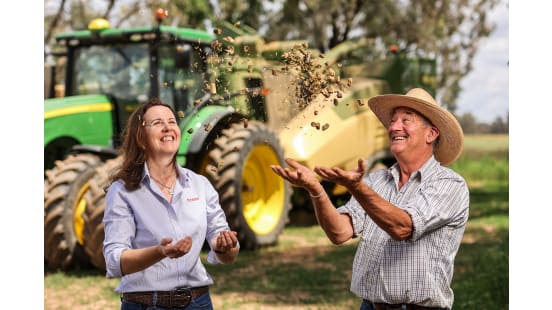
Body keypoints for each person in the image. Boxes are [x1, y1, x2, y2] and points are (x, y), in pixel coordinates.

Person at [271, 88, 469, 310]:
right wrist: (316, 189)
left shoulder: (449, 185)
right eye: (393, 121)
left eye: (406, 120)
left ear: (431, 134)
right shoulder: (377, 181)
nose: (394, 127)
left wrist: (357, 188)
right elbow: (340, 232)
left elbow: (403, 227)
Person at [103, 98, 239, 310]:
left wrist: (225, 247)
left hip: (198, 303)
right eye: (157, 123)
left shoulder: (200, 185)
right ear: (141, 138)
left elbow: (227, 255)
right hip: (145, 305)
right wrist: (159, 252)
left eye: (172, 121)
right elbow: (115, 261)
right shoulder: (122, 191)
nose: (167, 127)